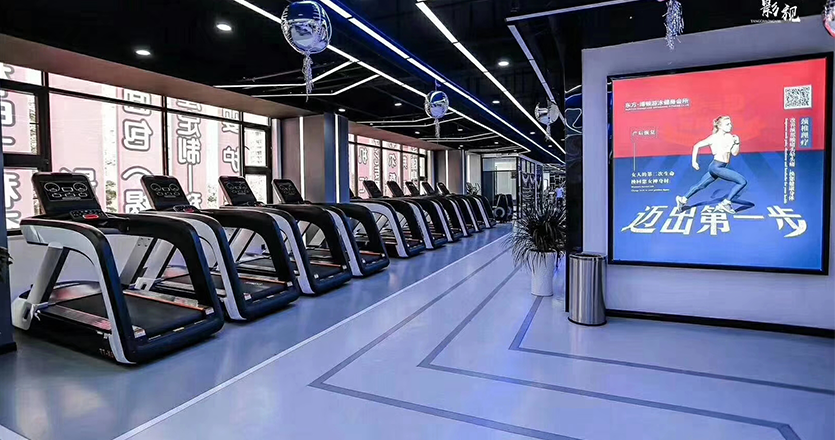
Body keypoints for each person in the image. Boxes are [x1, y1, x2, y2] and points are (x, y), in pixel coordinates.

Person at [676, 116, 747, 213]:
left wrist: (737, 142)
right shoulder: (713, 138)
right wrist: (694, 162)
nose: (730, 126)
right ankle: (726, 203)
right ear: (720, 126)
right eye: (727, 124)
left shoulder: (730, 137)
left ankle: (683, 199)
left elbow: (734, 153)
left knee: (701, 185)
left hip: (720, 167)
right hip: (716, 167)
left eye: (730, 124)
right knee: (742, 181)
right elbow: (697, 146)